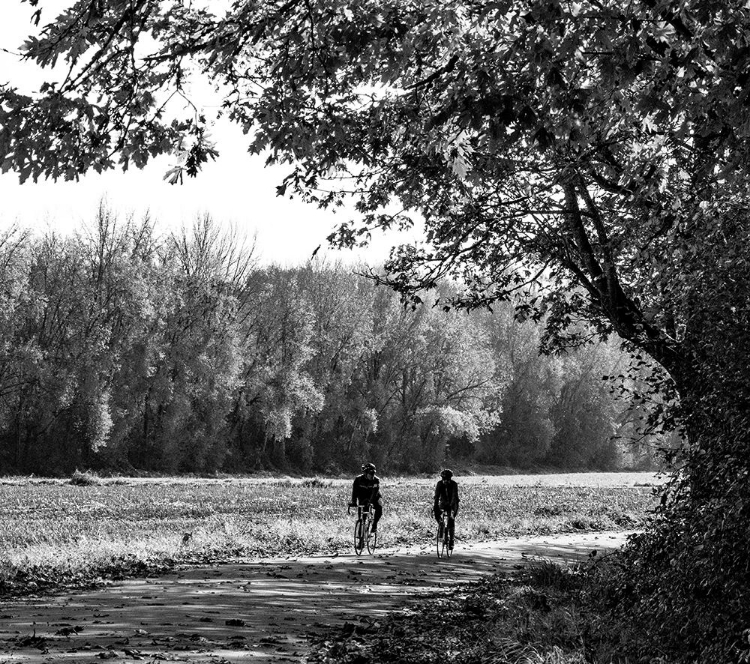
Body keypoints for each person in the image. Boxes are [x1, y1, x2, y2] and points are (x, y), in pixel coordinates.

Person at [349, 462, 383, 533]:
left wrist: (371, 502)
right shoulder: (358, 480)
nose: (372, 476)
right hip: (363, 496)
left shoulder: (376, 480)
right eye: (370, 474)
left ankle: (374, 525)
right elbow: (355, 492)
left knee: (379, 507)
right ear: (365, 473)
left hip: (374, 496)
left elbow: (374, 492)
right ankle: (360, 536)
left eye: (373, 474)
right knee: (362, 517)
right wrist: (354, 502)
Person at [433, 468, 459, 549]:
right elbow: (436, 496)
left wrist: (452, 509)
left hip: (453, 504)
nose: (445, 481)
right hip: (443, 503)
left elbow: (454, 496)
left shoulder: (454, 484)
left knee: (451, 519)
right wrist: (435, 506)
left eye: (447, 479)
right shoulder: (439, 484)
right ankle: (441, 523)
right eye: (444, 479)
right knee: (436, 513)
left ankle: (451, 540)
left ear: (450, 478)